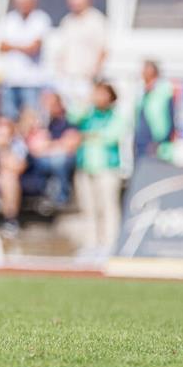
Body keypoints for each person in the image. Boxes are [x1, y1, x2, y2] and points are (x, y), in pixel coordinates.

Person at [71, 82, 124, 256]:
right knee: (88, 208)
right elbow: (73, 116)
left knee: (108, 207)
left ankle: (110, 243)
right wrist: (87, 102)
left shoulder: (116, 116)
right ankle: (90, 243)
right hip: (85, 167)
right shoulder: (89, 115)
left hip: (107, 168)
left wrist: (87, 135)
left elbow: (111, 136)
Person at [0, 0, 52, 120]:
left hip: (32, 81)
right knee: (9, 119)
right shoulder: (9, 19)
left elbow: (34, 48)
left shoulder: (41, 19)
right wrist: (23, 46)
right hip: (11, 79)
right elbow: (1, 46)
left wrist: (13, 45)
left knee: (31, 120)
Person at [53, 0, 107, 112]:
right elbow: (62, 50)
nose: (74, 1)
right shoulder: (67, 21)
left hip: (86, 79)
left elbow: (103, 49)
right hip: (67, 78)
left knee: (85, 113)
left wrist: (94, 75)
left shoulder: (96, 20)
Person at [133, 60, 175, 163]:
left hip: (157, 142)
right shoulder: (140, 91)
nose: (143, 73)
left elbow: (170, 116)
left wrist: (160, 139)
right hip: (141, 141)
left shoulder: (165, 90)